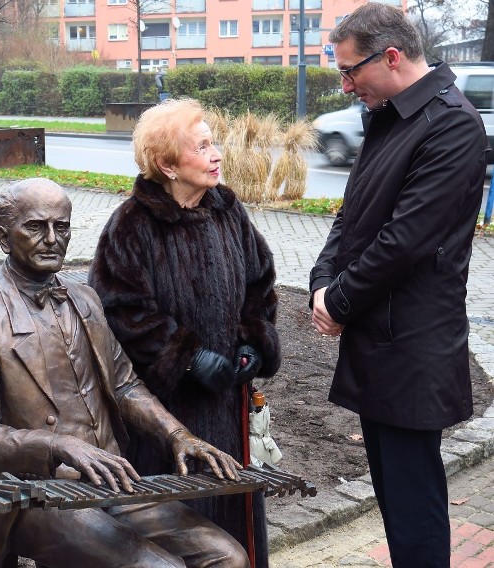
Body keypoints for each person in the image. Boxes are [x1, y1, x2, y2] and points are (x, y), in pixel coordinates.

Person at [0, 178, 250, 568]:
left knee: (229, 557)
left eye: (62, 226)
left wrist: (178, 435)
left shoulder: (85, 298)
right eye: (36, 227)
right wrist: (58, 446)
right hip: (36, 495)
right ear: (5, 238)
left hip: (113, 481)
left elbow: (125, 384)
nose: (53, 238)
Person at [309, 4, 489, 567]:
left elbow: (405, 240)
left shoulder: (453, 124)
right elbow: (351, 215)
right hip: (377, 335)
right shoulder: (389, 117)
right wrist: (321, 280)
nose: (345, 84)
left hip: (413, 344)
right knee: (394, 496)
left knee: (415, 503)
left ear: (390, 56)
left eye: (350, 70)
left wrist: (337, 301)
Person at [88, 97, 281, 567]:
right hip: (165, 413)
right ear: (167, 164)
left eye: (214, 143)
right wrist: (189, 358)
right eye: (202, 146)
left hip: (227, 401)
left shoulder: (226, 209)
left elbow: (261, 281)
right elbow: (120, 311)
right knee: (181, 532)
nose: (217, 155)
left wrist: (253, 342)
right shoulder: (131, 225)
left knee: (233, 517)